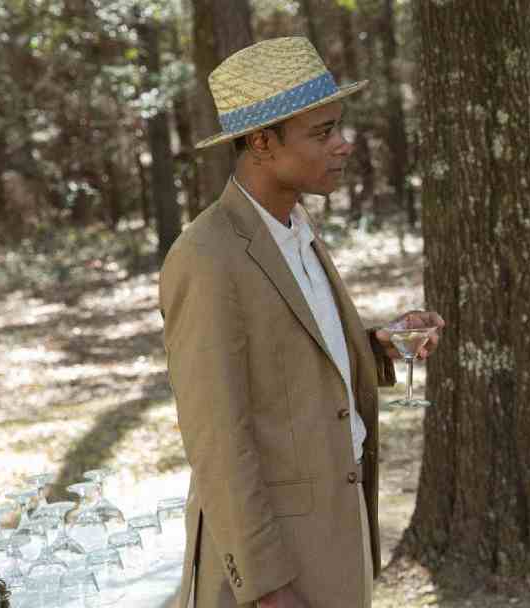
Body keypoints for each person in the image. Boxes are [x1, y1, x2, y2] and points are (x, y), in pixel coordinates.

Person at [160, 37, 444, 608]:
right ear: (261, 143)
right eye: (322, 133)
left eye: (338, 127)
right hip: (276, 561)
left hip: (335, 534)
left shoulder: (296, 228)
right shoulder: (207, 255)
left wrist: (377, 349)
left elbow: (288, 363)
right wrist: (267, 585)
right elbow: (217, 437)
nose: (343, 146)